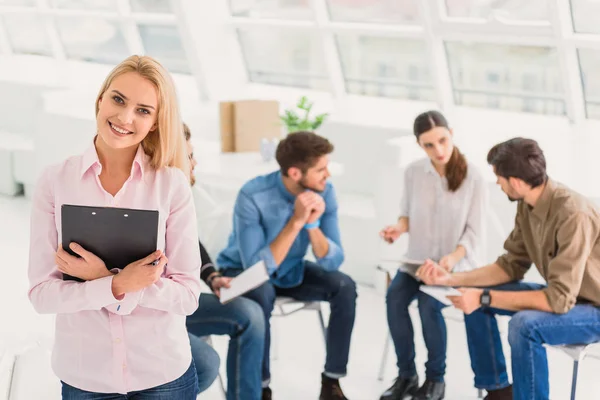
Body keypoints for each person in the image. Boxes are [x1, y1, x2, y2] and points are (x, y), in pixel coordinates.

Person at [28, 55, 203, 399]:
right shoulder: (55, 181)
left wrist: (102, 279)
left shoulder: (171, 185)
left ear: (155, 122)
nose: (125, 118)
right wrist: (120, 283)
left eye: (143, 110)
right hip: (86, 377)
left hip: (163, 373)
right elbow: (42, 295)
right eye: (118, 99)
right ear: (100, 98)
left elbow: (187, 296)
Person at [419, 137, 600, 400]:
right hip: (565, 298)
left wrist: (483, 296)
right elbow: (510, 266)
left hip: (593, 308)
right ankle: (499, 391)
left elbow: (559, 300)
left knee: (523, 325)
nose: (497, 183)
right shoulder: (527, 206)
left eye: (499, 178)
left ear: (515, 181)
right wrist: (451, 278)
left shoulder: (574, 213)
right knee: (476, 296)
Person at [217, 131, 357, 400]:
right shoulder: (252, 195)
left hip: (291, 268)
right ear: (295, 173)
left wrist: (313, 224)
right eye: (321, 170)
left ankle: (332, 382)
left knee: (344, 286)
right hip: (240, 271)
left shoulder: (324, 192)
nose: (327, 175)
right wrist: (295, 222)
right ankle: (262, 386)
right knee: (262, 291)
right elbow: (256, 268)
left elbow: (333, 261)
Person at [378, 111, 488, 400]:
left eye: (442, 140)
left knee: (429, 305)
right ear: (419, 145)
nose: (438, 150)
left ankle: (435, 380)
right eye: (429, 145)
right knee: (394, 298)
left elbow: (474, 233)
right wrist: (397, 230)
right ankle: (406, 376)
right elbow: (407, 216)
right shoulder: (413, 173)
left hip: (455, 266)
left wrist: (450, 260)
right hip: (417, 261)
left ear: (451, 133)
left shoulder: (473, 177)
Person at [183, 123, 266, 400]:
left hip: (184, 304)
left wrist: (213, 278)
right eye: (189, 156)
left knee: (250, 314)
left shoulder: (181, 198)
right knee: (204, 365)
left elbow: (193, 244)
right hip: (151, 311)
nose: (195, 163)